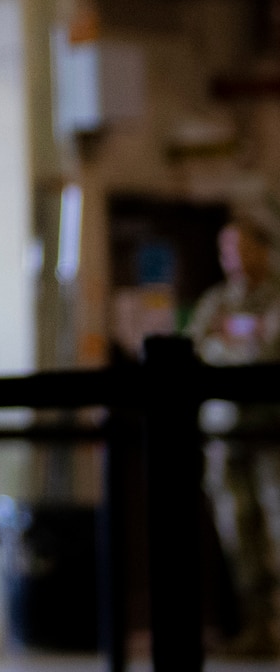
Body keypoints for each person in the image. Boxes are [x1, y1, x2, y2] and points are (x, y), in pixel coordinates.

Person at [190, 209, 280, 654]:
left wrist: (227, 347)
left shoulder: (276, 298)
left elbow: (265, 353)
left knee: (277, 529)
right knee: (237, 532)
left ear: (263, 250)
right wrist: (236, 345)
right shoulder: (215, 302)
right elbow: (194, 351)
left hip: (271, 435)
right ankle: (256, 629)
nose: (233, 258)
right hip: (225, 438)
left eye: (242, 247)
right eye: (226, 249)